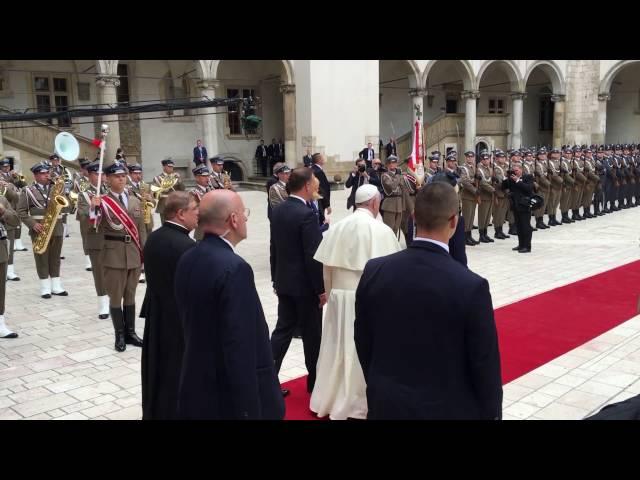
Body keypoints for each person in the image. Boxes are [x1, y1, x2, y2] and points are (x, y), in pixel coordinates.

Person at [354, 182, 502, 419]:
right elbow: (484, 365)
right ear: (454, 222)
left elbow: (363, 340)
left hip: (387, 403)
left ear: (412, 217)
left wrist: (379, 384)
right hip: (447, 408)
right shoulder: (471, 286)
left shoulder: (375, 270)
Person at [175, 190, 284, 419]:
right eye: (244, 214)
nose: (245, 219)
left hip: (198, 381)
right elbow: (240, 344)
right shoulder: (235, 268)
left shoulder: (188, 257)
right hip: (227, 393)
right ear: (233, 220)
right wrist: (249, 408)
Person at [310, 184, 401, 419]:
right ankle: (356, 402)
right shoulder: (381, 231)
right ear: (373, 203)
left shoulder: (337, 227)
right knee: (359, 350)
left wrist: (330, 294)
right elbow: (388, 274)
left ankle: (328, 398)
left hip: (339, 299)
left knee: (336, 346)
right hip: (365, 301)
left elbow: (326, 268)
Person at [141, 191, 197, 420]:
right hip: (179, 322)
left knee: (158, 370)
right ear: (181, 214)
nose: (199, 214)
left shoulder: (155, 237)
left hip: (159, 315)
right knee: (177, 372)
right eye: (195, 209)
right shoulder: (187, 246)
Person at [270, 167, 326, 395]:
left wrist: (275, 278)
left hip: (284, 282)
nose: (317, 186)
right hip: (304, 287)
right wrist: (321, 289)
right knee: (312, 336)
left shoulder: (279, 210)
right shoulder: (305, 214)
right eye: (314, 182)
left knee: (282, 332)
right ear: (306, 186)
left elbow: (274, 248)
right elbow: (312, 255)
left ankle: (268, 381)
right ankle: (315, 384)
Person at [90, 160, 146, 352]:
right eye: (117, 176)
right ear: (107, 178)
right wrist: (94, 208)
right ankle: (119, 335)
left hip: (133, 254)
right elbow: (93, 225)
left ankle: (130, 333)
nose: (121, 179)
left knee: (130, 295)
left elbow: (141, 229)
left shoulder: (135, 200)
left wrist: (143, 254)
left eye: (123, 176)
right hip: (113, 255)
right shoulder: (102, 202)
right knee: (115, 297)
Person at [17, 161, 71, 298]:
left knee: (55, 257)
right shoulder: (28, 190)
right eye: (42, 173)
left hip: (57, 227)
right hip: (39, 227)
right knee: (41, 257)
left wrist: (67, 195)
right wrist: (32, 224)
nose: (46, 176)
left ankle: (56, 285)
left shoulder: (56, 188)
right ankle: (45, 287)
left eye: (47, 173)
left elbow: (67, 208)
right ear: (35, 175)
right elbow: (21, 212)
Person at [76, 161, 110, 320]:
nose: (101, 177)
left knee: (114, 271)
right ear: (89, 175)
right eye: (97, 174)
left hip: (113, 237)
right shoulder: (84, 195)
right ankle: (103, 302)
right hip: (96, 238)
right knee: (99, 271)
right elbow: (83, 218)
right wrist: (92, 208)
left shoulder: (110, 191)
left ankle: (115, 300)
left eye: (102, 174)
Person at [0, 194, 20, 339]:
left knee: (0, 288)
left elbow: (15, 220)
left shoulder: (1, 199)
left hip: (0, 249)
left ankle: (0, 324)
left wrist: (3, 211)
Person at [503, 163, 534, 253]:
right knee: (519, 227)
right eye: (514, 171)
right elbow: (503, 187)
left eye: (516, 170)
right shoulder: (512, 179)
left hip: (525, 206)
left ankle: (527, 246)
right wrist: (507, 178)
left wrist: (518, 181)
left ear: (521, 170)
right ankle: (521, 244)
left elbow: (528, 189)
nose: (515, 172)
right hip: (515, 206)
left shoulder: (528, 177)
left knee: (526, 227)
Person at [153, 159, 185, 224]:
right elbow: (155, 193)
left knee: (176, 224)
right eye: (169, 167)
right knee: (165, 225)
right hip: (164, 205)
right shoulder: (158, 178)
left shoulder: (175, 177)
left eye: (172, 167)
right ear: (164, 167)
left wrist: (179, 180)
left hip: (175, 204)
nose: (171, 168)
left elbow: (182, 189)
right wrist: (162, 190)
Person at [380, 155, 403, 237]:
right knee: (389, 230)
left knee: (396, 229)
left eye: (395, 163)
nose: (393, 165)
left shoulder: (400, 175)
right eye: (391, 163)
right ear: (387, 165)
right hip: (390, 204)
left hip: (399, 204)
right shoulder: (385, 175)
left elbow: (403, 188)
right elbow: (392, 186)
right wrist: (398, 176)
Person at [189, 165, 213, 241]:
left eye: (208, 176)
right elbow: (192, 212)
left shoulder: (211, 190)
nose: (207, 178)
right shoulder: (193, 193)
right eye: (204, 176)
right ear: (197, 178)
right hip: (202, 232)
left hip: (215, 231)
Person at [311, 153, 331, 225]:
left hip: (318, 200)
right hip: (320, 201)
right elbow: (322, 189)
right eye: (323, 157)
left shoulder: (314, 169)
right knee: (321, 220)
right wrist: (327, 204)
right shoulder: (318, 171)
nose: (324, 159)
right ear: (319, 160)